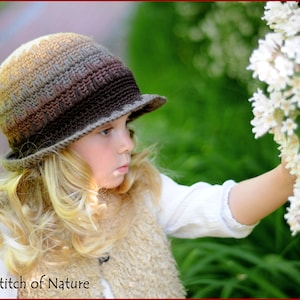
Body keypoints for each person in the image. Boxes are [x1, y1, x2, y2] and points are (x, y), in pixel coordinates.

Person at [0, 32, 295, 299]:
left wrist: (288, 172)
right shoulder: (16, 237)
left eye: (125, 125)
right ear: (55, 152)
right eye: (105, 131)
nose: (127, 143)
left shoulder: (141, 190)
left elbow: (218, 208)